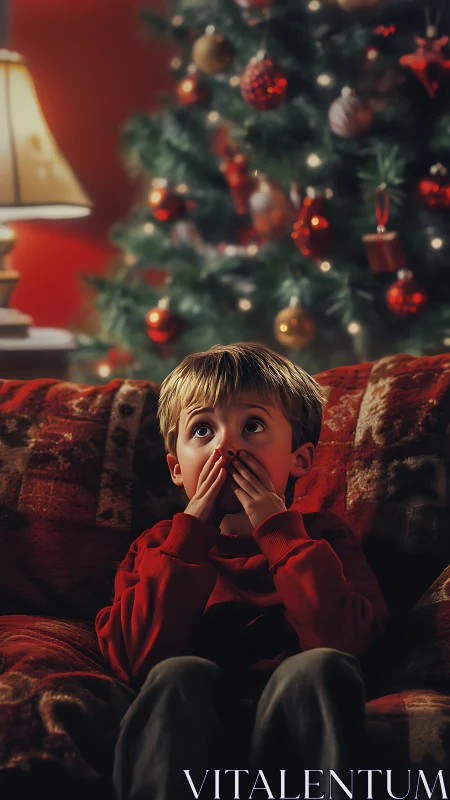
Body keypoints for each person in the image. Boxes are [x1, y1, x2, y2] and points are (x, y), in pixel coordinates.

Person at [95, 342, 389, 800]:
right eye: (203, 430)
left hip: (293, 722)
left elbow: (353, 650)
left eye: (252, 426)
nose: (226, 447)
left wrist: (281, 536)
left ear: (300, 458)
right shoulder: (158, 547)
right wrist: (190, 536)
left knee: (319, 667)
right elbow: (135, 662)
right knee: (177, 675)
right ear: (176, 468)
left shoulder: (325, 539)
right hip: (196, 726)